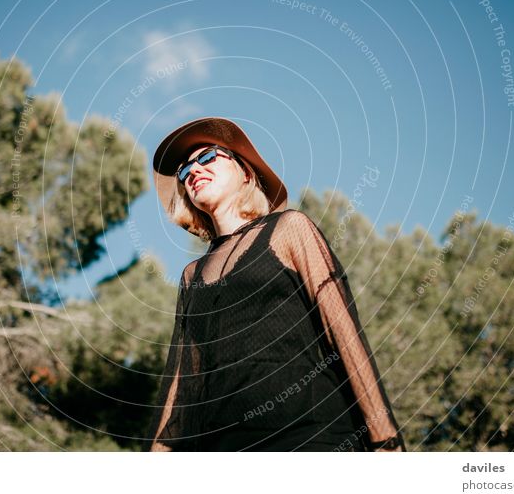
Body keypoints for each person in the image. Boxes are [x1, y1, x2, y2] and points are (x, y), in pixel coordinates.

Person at [146, 117, 406, 452]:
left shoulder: (288, 229)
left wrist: (384, 438)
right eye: (184, 170)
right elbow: (181, 387)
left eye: (208, 156)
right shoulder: (191, 276)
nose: (193, 171)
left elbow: (341, 328)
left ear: (245, 172)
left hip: (313, 438)